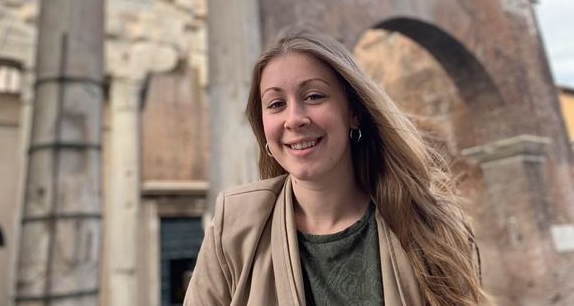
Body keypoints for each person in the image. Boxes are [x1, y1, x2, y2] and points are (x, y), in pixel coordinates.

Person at [185, 28, 486, 306]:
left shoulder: (431, 228)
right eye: (276, 104)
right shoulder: (234, 227)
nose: (294, 119)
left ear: (354, 112)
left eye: (314, 96)